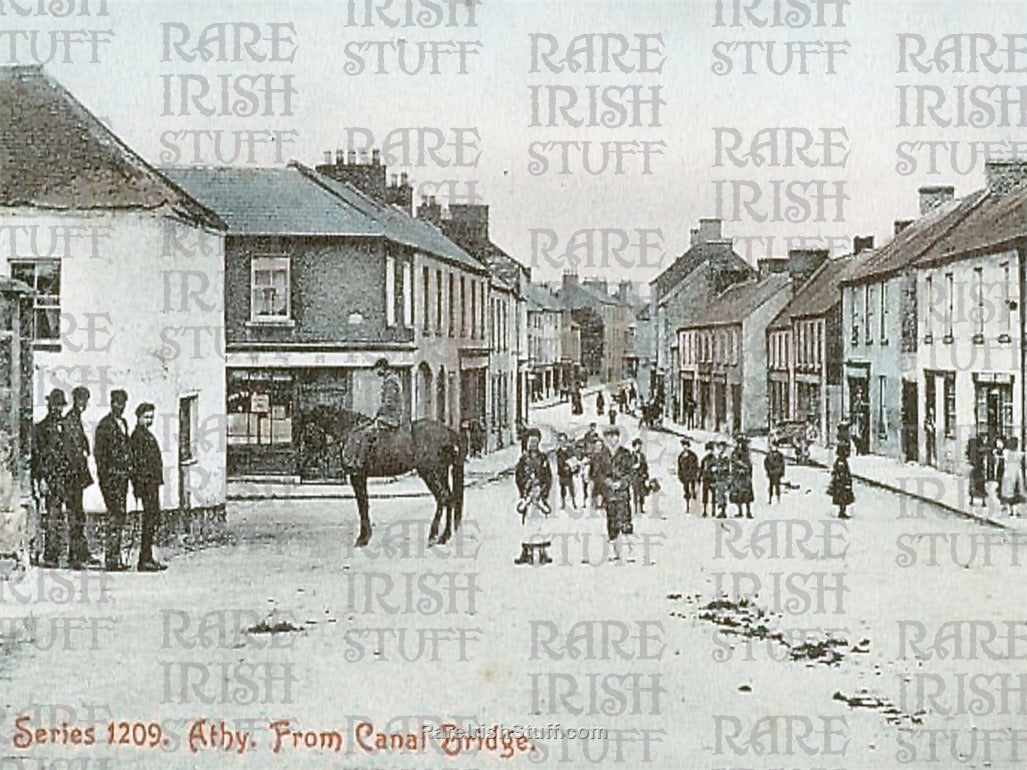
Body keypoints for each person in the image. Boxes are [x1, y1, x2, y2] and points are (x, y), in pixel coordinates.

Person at [342, 358, 403, 473]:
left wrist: (379, 414)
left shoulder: (390, 382)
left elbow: (388, 403)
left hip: (390, 418)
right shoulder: (391, 379)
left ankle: (359, 463)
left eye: (378, 369)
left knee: (366, 433)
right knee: (360, 429)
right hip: (387, 416)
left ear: (382, 368)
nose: (377, 372)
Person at [94, 389, 133, 571]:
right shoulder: (104, 425)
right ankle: (111, 560)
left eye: (123, 403)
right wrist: (105, 478)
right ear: (111, 404)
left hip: (123, 478)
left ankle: (115, 558)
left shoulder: (123, 423)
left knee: (120, 515)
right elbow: (100, 455)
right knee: (114, 516)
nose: (120, 407)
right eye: (117, 403)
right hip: (111, 480)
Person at [63, 386, 100, 569]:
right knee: (75, 515)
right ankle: (74, 556)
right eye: (80, 400)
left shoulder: (76, 419)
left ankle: (80, 553)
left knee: (78, 514)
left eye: (85, 400)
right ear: (75, 400)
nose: (83, 404)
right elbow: (72, 451)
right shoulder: (70, 419)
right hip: (72, 476)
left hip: (76, 476)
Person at [32, 389, 69, 568]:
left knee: (62, 516)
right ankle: (50, 556)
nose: (58, 409)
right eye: (55, 405)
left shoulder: (66, 426)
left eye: (60, 406)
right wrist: (41, 479)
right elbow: (37, 457)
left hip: (65, 478)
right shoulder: (40, 429)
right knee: (52, 516)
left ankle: (61, 553)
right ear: (49, 405)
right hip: (49, 478)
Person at [130, 402, 167, 571]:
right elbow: (137, 464)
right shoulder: (138, 437)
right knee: (149, 520)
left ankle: (148, 557)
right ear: (138, 417)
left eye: (151, 417)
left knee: (152, 520)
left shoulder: (146, 434)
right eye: (146, 417)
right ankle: (144, 559)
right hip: (146, 486)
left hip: (152, 485)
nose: (149, 420)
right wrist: (139, 486)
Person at [514, 428, 553, 565]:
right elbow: (518, 477)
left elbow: (548, 477)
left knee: (541, 525)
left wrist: (543, 491)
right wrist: (525, 489)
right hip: (527, 495)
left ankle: (543, 552)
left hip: (540, 494)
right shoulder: (523, 460)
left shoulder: (543, 459)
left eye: (535, 442)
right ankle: (525, 552)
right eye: (531, 441)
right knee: (527, 524)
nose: (533, 444)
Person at [595, 426, 634, 560]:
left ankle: (630, 550)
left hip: (622, 494)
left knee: (625, 521)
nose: (613, 439)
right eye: (609, 437)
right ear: (605, 439)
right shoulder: (601, 456)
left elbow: (631, 473)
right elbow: (598, 474)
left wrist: (622, 483)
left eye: (615, 436)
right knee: (611, 522)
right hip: (609, 494)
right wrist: (605, 483)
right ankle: (615, 551)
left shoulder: (626, 454)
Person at [997, 435, 1026, 517]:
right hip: (1017, 473)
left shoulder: (1006, 452)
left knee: (1009, 492)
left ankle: (1010, 511)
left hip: (1008, 473)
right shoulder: (1019, 453)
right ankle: (1015, 511)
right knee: (1016, 492)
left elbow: (999, 454)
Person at [827, 443, 855, 518]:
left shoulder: (841, 461)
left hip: (841, 482)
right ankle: (842, 511)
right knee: (843, 497)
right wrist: (844, 480)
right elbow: (840, 472)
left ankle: (842, 510)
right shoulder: (841, 461)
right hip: (841, 483)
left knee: (843, 497)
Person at [730, 436, 754, 519]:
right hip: (737, 476)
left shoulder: (746, 453)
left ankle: (748, 511)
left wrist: (746, 471)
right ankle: (740, 511)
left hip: (745, 476)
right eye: (738, 443)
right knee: (738, 494)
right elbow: (733, 463)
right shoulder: (734, 453)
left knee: (747, 494)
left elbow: (749, 464)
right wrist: (736, 471)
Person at [555, 433, 578, 510]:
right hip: (562, 473)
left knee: (571, 488)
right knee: (562, 489)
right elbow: (559, 462)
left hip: (569, 473)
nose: (562, 442)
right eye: (560, 440)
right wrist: (563, 467)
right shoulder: (558, 452)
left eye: (563, 440)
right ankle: (563, 503)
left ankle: (574, 502)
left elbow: (573, 459)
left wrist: (572, 467)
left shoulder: (570, 450)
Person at [676, 437, 699, 513]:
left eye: (686, 445)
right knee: (686, 492)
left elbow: (696, 466)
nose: (685, 447)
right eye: (683, 445)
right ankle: (687, 507)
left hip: (691, 475)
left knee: (693, 491)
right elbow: (679, 467)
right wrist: (680, 475)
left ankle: (694, 507)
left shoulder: (693, 455)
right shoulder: (680, 456)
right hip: (685, 476)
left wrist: (695, 474)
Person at [712, 440, 731, 518]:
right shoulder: (720, 455)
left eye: (722, 447)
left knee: (722, 494)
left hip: (723, 477)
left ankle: (723, 511)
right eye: (720, 447)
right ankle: (721, 510)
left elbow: (726, 468)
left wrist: (717, 469)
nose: (721, 448)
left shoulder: (725, 457)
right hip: (719, 477)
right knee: (719, 494)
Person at [630, 438, 649, 516]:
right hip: (635, 476)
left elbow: (645, 466)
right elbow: (629, 466)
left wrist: (646, 475)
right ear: (634, 446)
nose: (639, 447)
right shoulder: (631, 456)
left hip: (642, 476)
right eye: (638, 446)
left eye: (640, 446)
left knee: (642, 492)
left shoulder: (642, 456)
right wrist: (635, 467)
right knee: (635, 492)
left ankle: (641, 508)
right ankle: (635, 508)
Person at [966, 435, 987, 508]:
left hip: (976, 468)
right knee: (980, 485)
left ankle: (972, 500)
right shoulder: (980, 450)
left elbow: (968, 455)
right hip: (979, 469)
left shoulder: (973, 449)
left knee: (974, 484)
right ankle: (982, 501)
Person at [699, 441, 716, 517]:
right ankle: (705, 510)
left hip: (712, 478)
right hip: (705, 478)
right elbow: (701, 469)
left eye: (710, 450)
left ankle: (713, 510)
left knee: (714, 495)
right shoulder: (704, 460)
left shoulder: (714, 459)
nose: (709, 451)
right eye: (708, 449)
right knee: (705, 495)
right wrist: (699, 477)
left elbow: (717, 468)